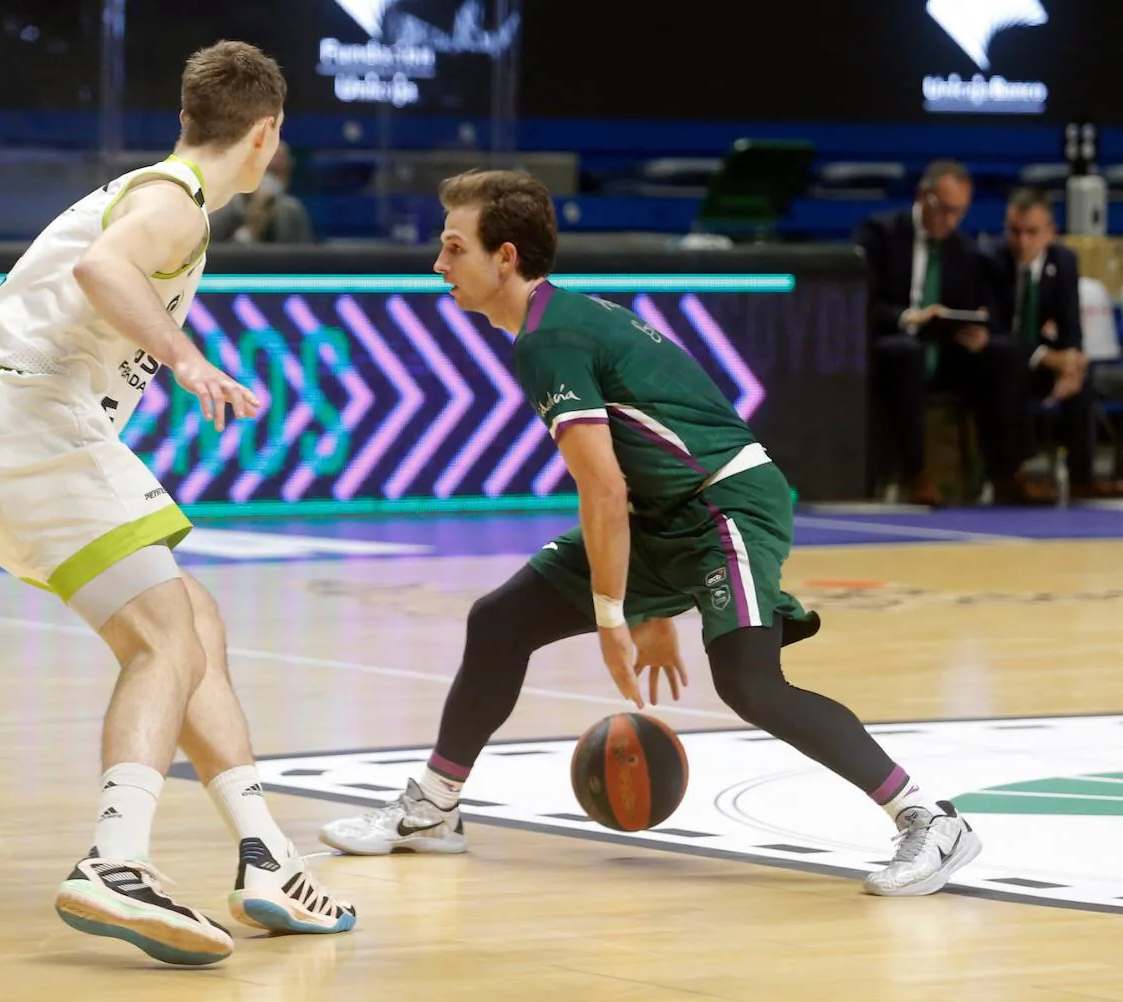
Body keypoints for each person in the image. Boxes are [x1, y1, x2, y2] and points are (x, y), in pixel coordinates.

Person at [319, 169, 981, 897]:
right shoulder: (555, 324)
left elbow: (602, 487)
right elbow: (631, 479)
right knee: (500, 621)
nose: (438, 265)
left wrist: (616, 615)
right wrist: (656, 606)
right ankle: (434, 809)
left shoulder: (551, 340)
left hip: (724, 507)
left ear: (505, 257)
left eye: (453, 247)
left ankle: (931, 820)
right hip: (663, 516)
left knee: (750, 683)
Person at [0, 41, 355, 967]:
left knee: (190, 618)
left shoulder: (154, 187)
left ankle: (266, 855)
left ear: (186, 119)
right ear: (268, 136)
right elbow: (104, 272)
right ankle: (115, 862)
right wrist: (190, 359)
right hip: (30, 418)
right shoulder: (173, 205)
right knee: (167, 636)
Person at [854, 160, 1051, 506]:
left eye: (958, 212)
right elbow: (858, 301)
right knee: (906, 353)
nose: (950, 220)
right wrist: (908, 318)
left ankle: (1007, 472)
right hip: (889, 348)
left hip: (942, 351)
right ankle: (914, 474)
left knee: (1005, 353)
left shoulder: (963, 250)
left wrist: (976, 331)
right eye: (943, 209)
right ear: (922, 197)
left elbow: (976, 309)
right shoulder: (880, 233)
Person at [982, 187, 1123, 499]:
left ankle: (1082, 478)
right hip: (999, 364)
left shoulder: (1064, 262)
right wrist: (1048, 358)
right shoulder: (991, 262)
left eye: (1032, 233)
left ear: (1050, 232)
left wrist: (1070, 366)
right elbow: (995, 330)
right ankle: (1011, 477)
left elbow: (1071, 328)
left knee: (1082, 379)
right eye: (1015, 232)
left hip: (1038, 359)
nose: (1022, 242)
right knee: (1007, 366)